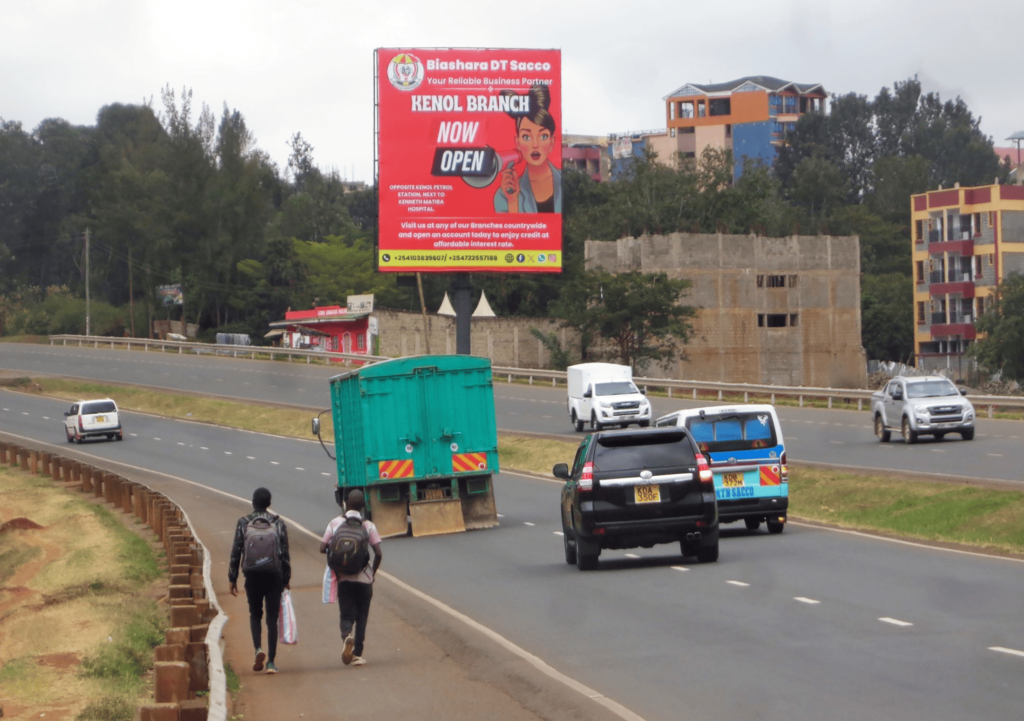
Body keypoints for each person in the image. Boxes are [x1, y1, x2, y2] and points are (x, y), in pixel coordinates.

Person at [228, 487, 291, 675]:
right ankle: (271, 662)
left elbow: (236, 552)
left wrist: (232, 578)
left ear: (253, 502)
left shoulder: (244, 523)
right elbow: (285, 555)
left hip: (252, 576)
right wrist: (286, 578)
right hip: (274, 576)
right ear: (269, 504)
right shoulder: (278, 524)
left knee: (255, 614)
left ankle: (258, 649)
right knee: (272, 618)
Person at [320, 489, 382, 667]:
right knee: (362, 616)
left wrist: (338, 557)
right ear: (363, 506)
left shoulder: (335, 523)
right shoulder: (368, 525)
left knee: (346, 613)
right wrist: (372, 573)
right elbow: (378, 553)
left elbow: (322, 547)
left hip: (343, 578)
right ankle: (357, 654)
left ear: (345, 504)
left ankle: (347, 635)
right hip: (364, 579)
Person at [493, 83, 562, 214]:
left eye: (543, 136)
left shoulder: (565, 182)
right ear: (517, 142)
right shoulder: (503, 196)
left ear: (552, 142)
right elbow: (507, 233)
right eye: (526, 137)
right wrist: (513, 202)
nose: (535, 144)